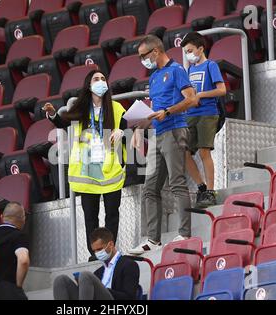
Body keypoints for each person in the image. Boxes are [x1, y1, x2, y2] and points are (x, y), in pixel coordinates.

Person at [43, 69, 127, 258]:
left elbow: (126, 125)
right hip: (87, 172)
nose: (100, 82)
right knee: (91, 217)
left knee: (112, 213)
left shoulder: (116, 107)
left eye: (103, 79)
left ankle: (110, 249)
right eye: (96, 79)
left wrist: (121, 132)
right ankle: (95, 252)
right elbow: (62, 122)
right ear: (89, 85)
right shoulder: (81, 108)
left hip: (111, 170)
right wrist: (51, 114)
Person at [128, 35, 197, 255]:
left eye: (143, 56)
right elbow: (153, 111)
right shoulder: (154, 77)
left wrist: (167, 112)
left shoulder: (176, 70)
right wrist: (139, 126)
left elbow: (191, 99)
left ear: (155, 52)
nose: (142, 61)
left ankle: (184, 233)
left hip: (174, 130)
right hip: (157, 134)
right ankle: (153, 239)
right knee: (149, 188)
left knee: (177, 182)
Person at [181, 32, 227, 207]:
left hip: (207, 113)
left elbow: (221, 89)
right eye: (186, 51)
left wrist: (201, 94)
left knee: (204, 152)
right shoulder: (190, 70)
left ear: (200, 49)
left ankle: (210, 190)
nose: (188, 54)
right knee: (185, 152)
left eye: (191, 50)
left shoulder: (210, 65)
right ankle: (201, 186)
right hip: (191, 115)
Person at [53, 227, 140, 300]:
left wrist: (101, 289)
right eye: (94, 251)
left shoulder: (129, 265)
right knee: (60, 280)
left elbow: (129, 297)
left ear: (111, 245)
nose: (97, 253)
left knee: (85, 275)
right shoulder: (98, 272)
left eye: (99, 249)